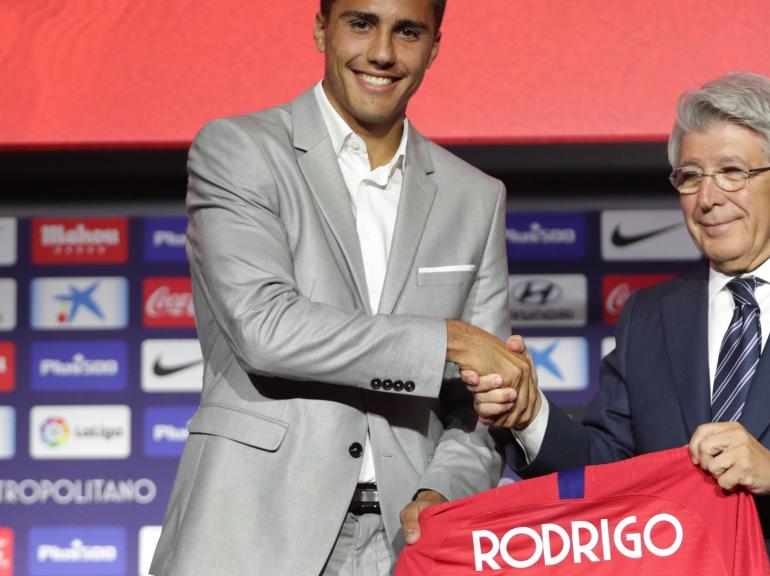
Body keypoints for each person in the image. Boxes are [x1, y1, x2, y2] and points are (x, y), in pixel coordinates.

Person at [467, 72, 770, 575]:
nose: (706, 198)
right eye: (690, 176)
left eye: (732, 172)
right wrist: (531, 417)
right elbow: (609, 467)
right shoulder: (650, 314)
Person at [150, 0, 535, 574]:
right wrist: (450, 341)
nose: (381, 52)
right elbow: (267, 329)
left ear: (433, 47)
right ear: (320, 29)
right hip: (251, 528)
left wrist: (443, 493)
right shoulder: (239, 149)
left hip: (407, 542)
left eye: (406, 31)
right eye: (361, 23)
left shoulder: (475, 196)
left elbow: (476, 405)